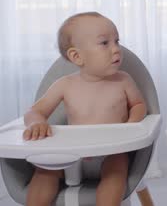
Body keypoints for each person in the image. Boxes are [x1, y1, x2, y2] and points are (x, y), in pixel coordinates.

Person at [23, 12, 147, 206]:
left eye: (117, 41)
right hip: (70, 153)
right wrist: (37, 122)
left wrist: (131, 125)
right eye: (105, 43)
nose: (116, 49)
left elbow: (139, 105)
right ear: (77, 56)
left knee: (116, 173)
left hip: (111, 152)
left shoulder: (123, 80)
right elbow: (34, 111)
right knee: (45, 172)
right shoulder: (65, 84)